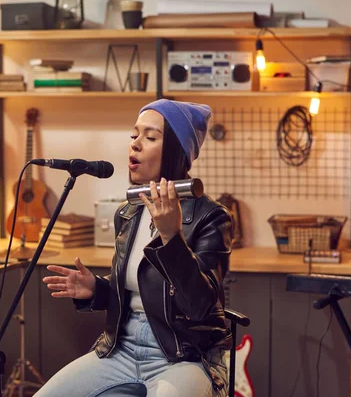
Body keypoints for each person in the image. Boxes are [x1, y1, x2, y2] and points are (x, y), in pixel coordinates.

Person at [36, 99, 234, 396]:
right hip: (122, 350)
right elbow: (140, 292)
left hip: (186, 356)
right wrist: (97, 289)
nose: (135, 145)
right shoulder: (128, 213)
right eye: (134, 136)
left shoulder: (211, 217)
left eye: (150, 137)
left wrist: (172, 237)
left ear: (177, 152)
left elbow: (200, 306)